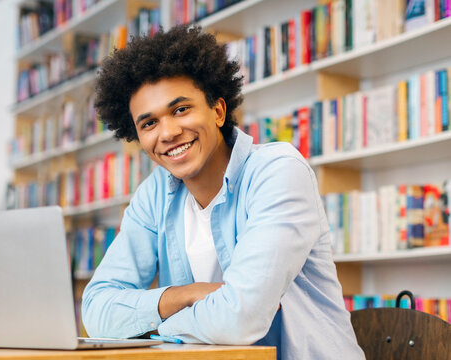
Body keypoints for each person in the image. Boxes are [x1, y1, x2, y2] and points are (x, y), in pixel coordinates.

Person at [81, 25, 365, 360]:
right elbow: (97, 311)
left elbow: (239, 318)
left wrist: (155, 327)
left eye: (180, 109)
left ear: (218, 111)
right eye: (149, 123)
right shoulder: (153, 196)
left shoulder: (277, 171)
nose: (168, 132)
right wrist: (184, 295)